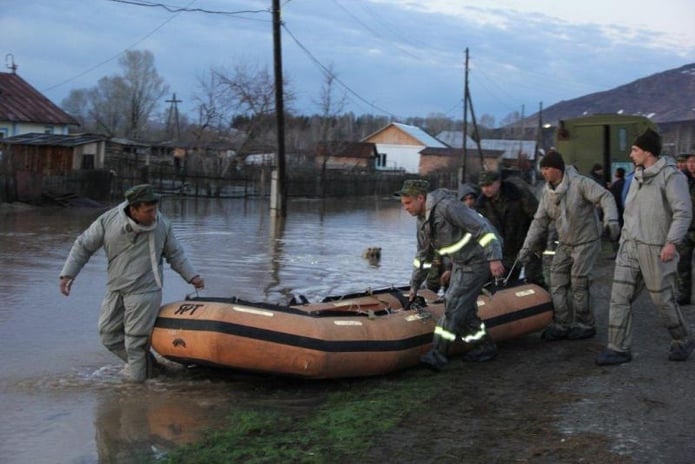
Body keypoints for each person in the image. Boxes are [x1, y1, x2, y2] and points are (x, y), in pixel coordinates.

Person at [59, 184, 205, 382]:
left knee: (135, 343)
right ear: (133, 209)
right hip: (116, 287)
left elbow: (175, 254)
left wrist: (192, 276)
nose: (154, 215)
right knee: (109, 335)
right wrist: (68, 274)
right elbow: (83, 246)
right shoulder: (108, 221)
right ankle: (152, 370)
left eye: (155, 209)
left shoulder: (162, 225)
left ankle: (136, 390)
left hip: (146, 289)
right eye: (148, 211)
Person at [596, 129, 694, 365]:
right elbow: (630, 214)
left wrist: (671, 243)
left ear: (648, 152)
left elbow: (683, 213)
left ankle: (683, 338)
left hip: (657, 249)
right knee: (619, 297)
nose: (631, 154)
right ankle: (618, 348)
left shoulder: (671, 177)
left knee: (662, 300)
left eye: (635, 150)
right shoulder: (636, 177)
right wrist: (622, 240)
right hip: (630, 247)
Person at [397, 179, 504, 370]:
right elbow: (423, 256)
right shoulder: (422, 221)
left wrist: (494, 258)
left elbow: (483, 228)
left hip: (480, 258)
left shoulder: (448, 207)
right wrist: (414, 286)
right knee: (464, 308)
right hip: (462, 262)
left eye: (407, 203)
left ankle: (438, 354)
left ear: (421, 198)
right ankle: (484, 346)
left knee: (454, 301)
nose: (405, 208)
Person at [519, 150, 620, 341]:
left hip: (586, 241)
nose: (544, 173)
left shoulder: (581, 183)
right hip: (565, 243)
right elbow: (539, 221)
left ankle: (585, 323)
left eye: (547, 168)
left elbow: (605, 197)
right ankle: (562, 323)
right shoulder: (547, 193)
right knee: (556, 280)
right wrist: (526, 249)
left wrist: (612, 220)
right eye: (543, 169)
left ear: (558, 169)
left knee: (579, 282)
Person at [476, 170, 544, 286]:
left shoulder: (517, 195)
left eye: (488, 185)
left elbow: (537, 218)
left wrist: (536, 245)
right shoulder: (482, 205)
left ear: (498, 182)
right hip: (504, 251)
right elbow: (482, 233)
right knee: (503, 283)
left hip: (526, 244)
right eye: (482, 186)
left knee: (534, 280)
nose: (485, 189)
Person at [676, 153, 695, 305]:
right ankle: (684, 294)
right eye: (689, 162)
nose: (691, 165)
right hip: (686, 229)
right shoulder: (682, 180)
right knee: (683, 264)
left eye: (694, 162)